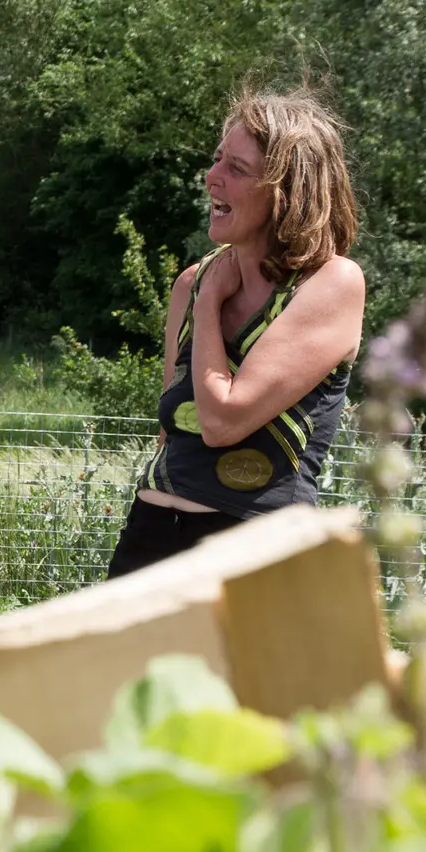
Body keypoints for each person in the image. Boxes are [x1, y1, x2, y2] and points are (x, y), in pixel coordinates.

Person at [107, 86, 365, 578]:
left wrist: (208, 309)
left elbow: (222, 420)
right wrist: (202, 297)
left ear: (287, 192)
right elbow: (173, 427)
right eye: (217, 159)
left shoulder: (332, 284)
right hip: (149, 541)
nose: (211, 178)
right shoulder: (191, 283)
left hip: (254, 554)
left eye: (236, 169)